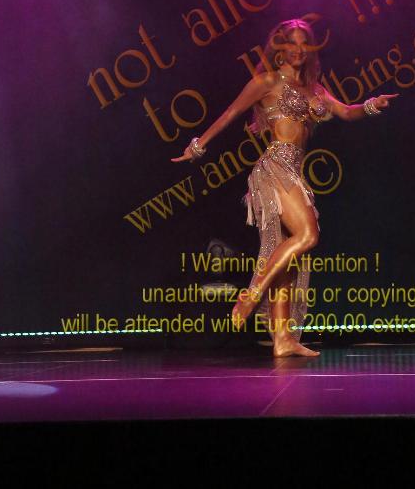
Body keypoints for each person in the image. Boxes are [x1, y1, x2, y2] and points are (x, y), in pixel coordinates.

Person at [171, 18, 398, 357]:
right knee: (308, 235)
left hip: (295, 172)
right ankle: (251, 295)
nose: (298, 49)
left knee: (289, 257)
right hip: (274, 167)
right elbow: (231, 113)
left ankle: (282, 339)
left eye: (304, 43)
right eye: (292, 42)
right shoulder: (267, 82)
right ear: (279, 48)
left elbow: (346, 112)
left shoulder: (315, 89)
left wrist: (371, 105)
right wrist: (198, 146)